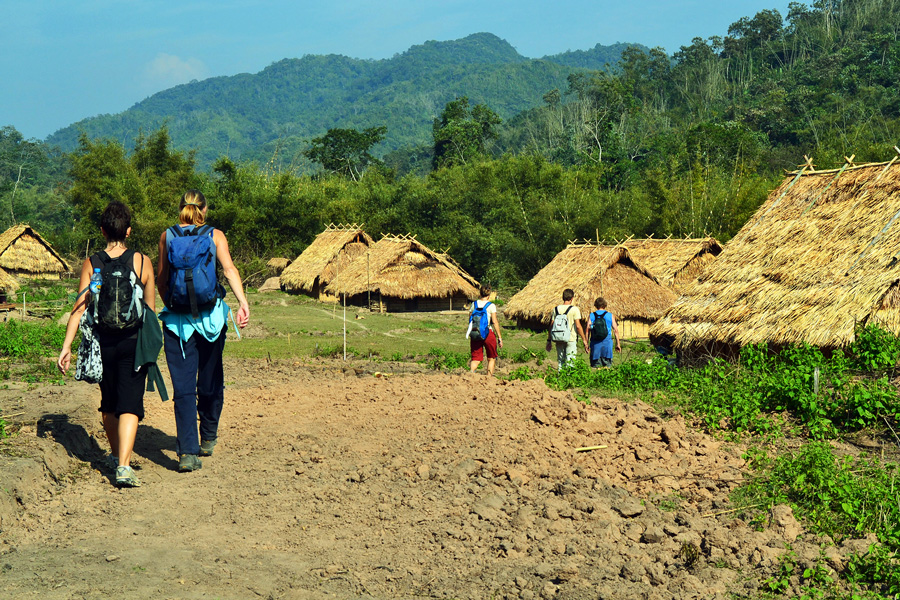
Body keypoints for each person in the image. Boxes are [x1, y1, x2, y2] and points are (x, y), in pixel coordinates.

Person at [58, 201, 155, 488]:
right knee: (130, 404)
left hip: (103, 344)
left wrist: (66, 347)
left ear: (102, 231)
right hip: (133, 342)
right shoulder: (142, 261)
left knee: (109, 402)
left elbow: (78, 309)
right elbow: (149, 309)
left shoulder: (91, 263)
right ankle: (124, 466)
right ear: (128, 230)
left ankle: (115, 456)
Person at [156, 190, 250, 473]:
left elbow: (162, 279)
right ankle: (207, 435)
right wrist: (243, 303)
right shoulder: (215, 235)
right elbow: (230, 270)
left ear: (181, 209)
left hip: (177, 324)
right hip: (211, 321)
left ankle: (187, 452)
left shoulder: (167, 236)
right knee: (210, 378)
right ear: (204, 210)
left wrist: (173, 304)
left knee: (183, 388)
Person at [545, 288, 588, 370]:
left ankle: (560, 379)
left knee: (561, 361)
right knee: (570, 361)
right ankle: (569, 380)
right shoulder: (574, 309)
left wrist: (549, 340)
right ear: (572, 299)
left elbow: (551, 325)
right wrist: (584, 339)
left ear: (563, 297)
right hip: (571, 338)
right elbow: (578, 326)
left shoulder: (556, 309)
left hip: (558, 337)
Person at [467, 284, 502, 375]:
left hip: (475, 333)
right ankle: (488, 379)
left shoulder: (473, 304)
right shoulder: (491, 306)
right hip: (488, 333)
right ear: (489, 295)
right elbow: (494, 322)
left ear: (480, 293)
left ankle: (471, 375)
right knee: (491, 358)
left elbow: (470, 319)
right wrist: (499, 337)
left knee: (475, 358)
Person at [587, 297, 621, 367]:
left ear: (596, 305)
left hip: (595, 343)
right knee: (607, 366)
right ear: (605, 305)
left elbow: (588, 329)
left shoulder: (591, 315)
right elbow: (616, 330)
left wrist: (586, 343)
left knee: (597, 366)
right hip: (607, 343)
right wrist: (618, 344)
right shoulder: (610, 315)